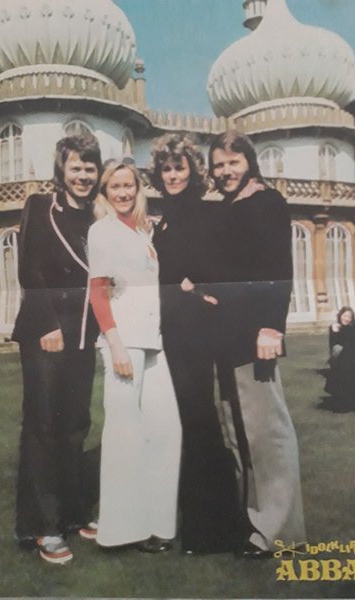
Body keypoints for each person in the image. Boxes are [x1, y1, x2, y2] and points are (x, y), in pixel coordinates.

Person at [207, 130, 306, 558]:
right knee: (240, 431)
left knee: (267, 433)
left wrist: (271, 327)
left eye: (233, 162)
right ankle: (255, 521)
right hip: (227, 335)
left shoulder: (266, 202)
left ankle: (281, 532)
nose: (225, 171)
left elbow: (278, 269)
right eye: (218, 165)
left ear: (249, 162)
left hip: (255, 336)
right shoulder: (231, 206)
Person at [12, 134, 103, 564]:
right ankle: (42, 527)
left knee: (75, 425)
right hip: (46, 328)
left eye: (90, 168)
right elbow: (29, 269)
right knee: (44, 424)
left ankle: (72, 512)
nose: (83, 176)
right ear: (61, 169)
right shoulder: (40, 206)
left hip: (83, 330)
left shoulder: (95, 217)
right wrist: (48, 323)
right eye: (76, 168)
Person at [150, 133, 240, 554]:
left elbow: (219, 268)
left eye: (179, 168)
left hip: (195, 332)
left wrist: (197, 287)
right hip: (172, 331)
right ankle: (200, 525)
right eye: (166, 169)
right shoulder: (164, 220)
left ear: (193, 170)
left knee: (199, 419)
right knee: (186, 421)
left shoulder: (204, 212)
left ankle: (212, 530)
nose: (172, 175)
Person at [88, 160, 181, 552]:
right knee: (124, 432)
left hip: (153, 341)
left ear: (138, 189)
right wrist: (115, 343)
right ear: (105, 192)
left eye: (129, 186)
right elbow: (98, 291)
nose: (123, 193)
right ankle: (122, 531)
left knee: (165, 428)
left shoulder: (143, 230)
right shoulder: (102, 230)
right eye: (115, 187)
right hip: (124, 342)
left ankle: (158, 523)